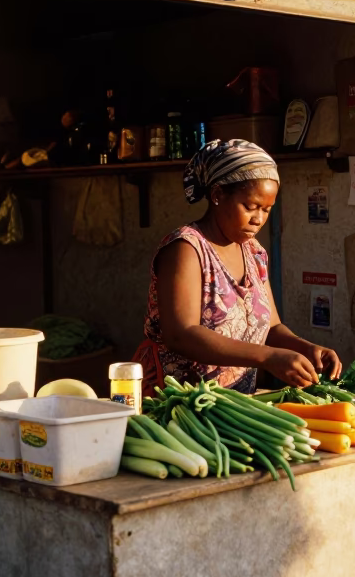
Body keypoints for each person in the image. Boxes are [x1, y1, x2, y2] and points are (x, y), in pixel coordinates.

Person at [136, 139, 342, 395]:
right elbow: (181, 334)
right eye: (250, 206)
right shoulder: (186, 249)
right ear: (217, 195)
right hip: (179, 405)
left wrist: (306, 348)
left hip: (234, 405)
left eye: (266, 210)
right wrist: (266, 357)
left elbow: (271, 328)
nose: (258, 219)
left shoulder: (254, 252)